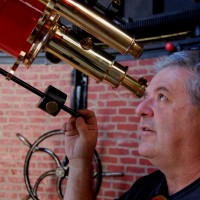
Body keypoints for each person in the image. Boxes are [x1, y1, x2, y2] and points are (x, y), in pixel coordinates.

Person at [63, 50, 200, 200]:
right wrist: (79, 161)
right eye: (147, 97)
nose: (140, 109)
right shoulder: (145, 188)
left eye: (162, 97)